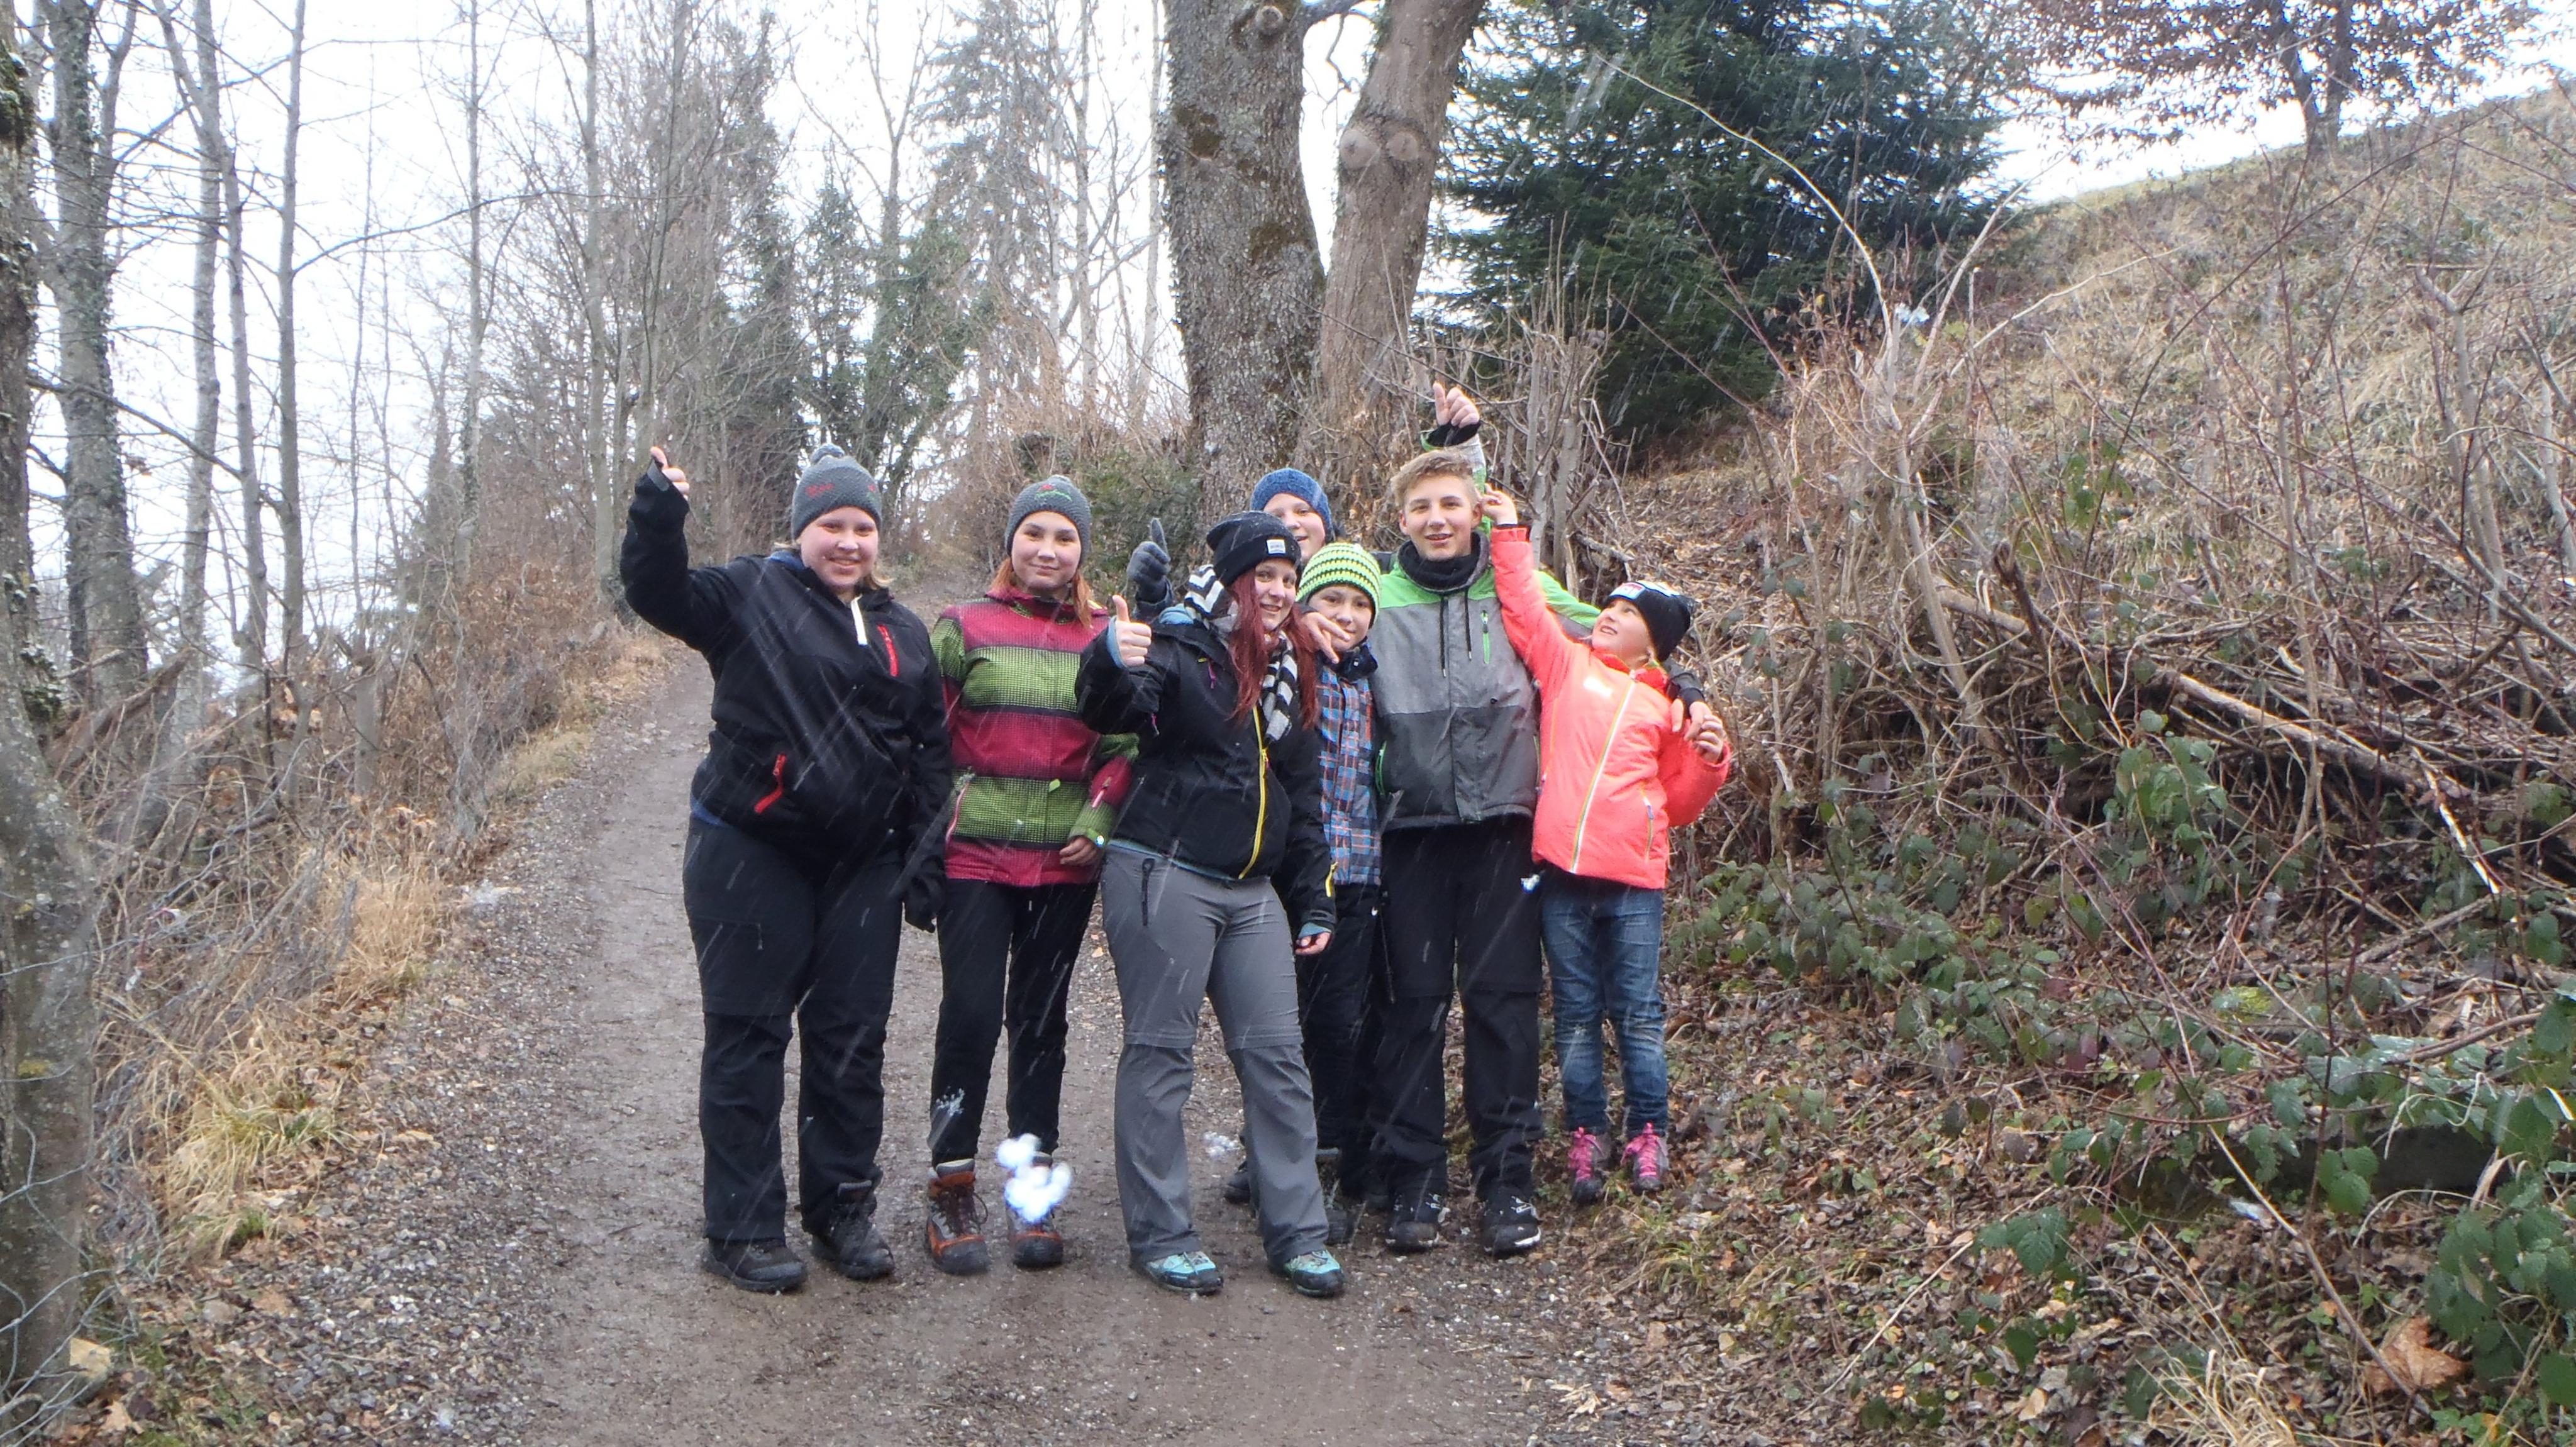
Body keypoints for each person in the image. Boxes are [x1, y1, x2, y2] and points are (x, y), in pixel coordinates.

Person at [621, 443, 951, 1294]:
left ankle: (841, 1211)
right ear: (801, 528)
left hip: (862, 867)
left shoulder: (903, 631)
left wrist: (923, 860)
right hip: (750, 848)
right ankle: (742, 1228)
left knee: (852, 1042)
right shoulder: (748, 593)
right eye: (831, 525)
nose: (848, 542)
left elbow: (929, 753)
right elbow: (656, 593)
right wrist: (658, 516)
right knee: (749, 1037)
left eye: (863, 528)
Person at [1077, 513, 1345, 1299]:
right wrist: (1111, 652)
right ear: (1232, 581)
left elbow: (1301, 796)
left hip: (1253, 890)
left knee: (1277, 1058)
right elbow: (1114, 709)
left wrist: (1315, 897)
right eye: (1264, 577)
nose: (1279, 591)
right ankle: (1162, 1234)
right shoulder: (1179, 642)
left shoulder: (1291, 666)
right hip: (1165, 871)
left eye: (1289, 579)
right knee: (1161, 1052)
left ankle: (1298, 1233)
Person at [1482, 490, 1732, 1205]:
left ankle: (1648, 1131)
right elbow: (1525, 607)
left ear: (1653, 642)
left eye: (1626, 613)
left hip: (1633, 882)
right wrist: (1509, 533)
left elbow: (1679, 803)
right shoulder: (1567, 666)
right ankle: (1586, 1133)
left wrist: (1711, 759)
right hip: (1563, 876)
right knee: (1576, 1012)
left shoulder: (1669, 706)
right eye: (1610, 607)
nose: (1609, 616)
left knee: (1639, 1013)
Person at [914, 477, 1136, 1275]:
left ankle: (1032, 1188)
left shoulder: (1107, 636)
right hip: (975, 857)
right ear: (1010, 541)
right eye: (1034, 533)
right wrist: (937, 827)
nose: (1048, 549)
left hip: (1063, 863)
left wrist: (1097, 820)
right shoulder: (962, 626)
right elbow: (926, 740)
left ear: (1083, 550)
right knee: (971, 1016)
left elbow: (1124, 743)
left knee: (1040, 1024)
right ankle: (950, 1188)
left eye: (1064, 537)